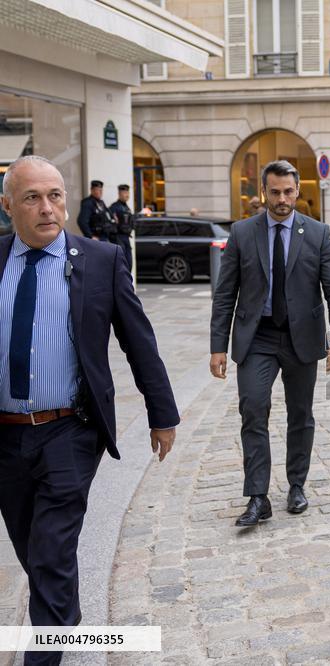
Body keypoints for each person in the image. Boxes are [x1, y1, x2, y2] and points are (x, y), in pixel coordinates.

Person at [0, 156, 178, 665]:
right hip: (6, 434)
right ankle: (65, 617)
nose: (47, 208)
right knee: (31, 549)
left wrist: (161, 413)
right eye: (32, 198)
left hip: (70, 431)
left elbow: (138, 342)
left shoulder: (100, 260)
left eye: (55, 195)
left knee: (51, 549)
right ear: (8, 205)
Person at [210, 160, 330, 527]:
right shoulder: (243, 233)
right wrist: (217, 346)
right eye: (275, 192)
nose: (282, 199)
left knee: (300, 415)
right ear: (264, 192)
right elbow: (225, 293)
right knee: (253, 408)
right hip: (257, 336)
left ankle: (296, 485)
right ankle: (258, 496)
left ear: (298, 192)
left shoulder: (318, 233)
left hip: (302, 338)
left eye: (288, 192)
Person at [109, 183, 135, 273]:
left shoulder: (127, 208)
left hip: (126, 237)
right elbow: (110, 222)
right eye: (125, 192)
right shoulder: (114, 207)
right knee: (121, 264)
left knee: (129, 264)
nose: (127, 195)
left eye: (128, 192)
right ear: (119, 193)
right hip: (118, 237)